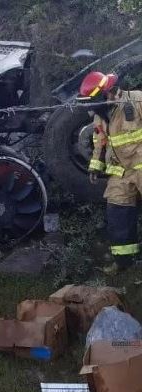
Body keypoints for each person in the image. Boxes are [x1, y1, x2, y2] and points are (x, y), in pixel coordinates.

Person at [83, 71, 142, 273]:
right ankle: (124, 262)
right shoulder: (101, 114)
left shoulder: (137, 101)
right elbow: (100, 141)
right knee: (117, 213)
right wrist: (95, 166)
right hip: (120, 172)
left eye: (94, 101)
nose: (92, 108)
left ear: (107, 93)